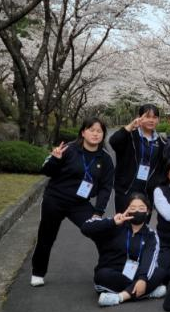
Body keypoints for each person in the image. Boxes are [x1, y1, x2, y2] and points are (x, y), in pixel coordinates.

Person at [31, 117, 114, 287]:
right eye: (91, 130)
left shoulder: (104, 158)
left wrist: (98, 212)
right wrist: (55, 159)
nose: (95, 134)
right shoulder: (68, 149)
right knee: (46, 236)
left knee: (100, 232)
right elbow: (46, 171)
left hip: (79, 204)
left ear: (103, 135)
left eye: (99, 131)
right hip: (55, 198)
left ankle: (108, 269)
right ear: (83, 132)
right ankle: (38, 272)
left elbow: (106, 187)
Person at [80, 193, 167, 307]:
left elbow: (149, 259)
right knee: (102, 275)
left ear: (148, 212)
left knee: (159, 272)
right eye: (133, 208)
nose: (137, 211)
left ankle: (120, 297)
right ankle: (146, 292)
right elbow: (85, 228)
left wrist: (142, 279)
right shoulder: (115, 224)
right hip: (111, 273)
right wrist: (112, 222)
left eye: (141, 208)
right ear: (127, 210)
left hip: (134, 274)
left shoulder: (151, 235)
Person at [110, 104, 166, 213]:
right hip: (126, 190)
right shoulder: (129, 136)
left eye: (154, 117)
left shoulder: (161, 142)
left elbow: (162, 167)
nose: (151, 120)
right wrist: (130, 126)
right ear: (139, 117)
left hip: (147, 193)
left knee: (143, 222)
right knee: (124, 221)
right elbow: (114, 141)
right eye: (147, 117)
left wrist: (156, 185)